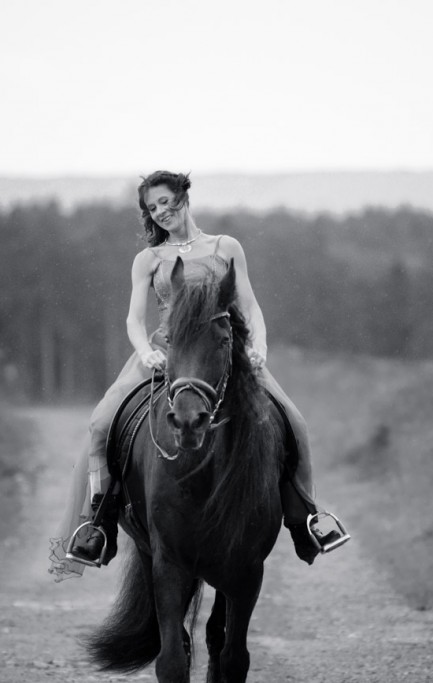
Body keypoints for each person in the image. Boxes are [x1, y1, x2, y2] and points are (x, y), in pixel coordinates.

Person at [49, 171, 348, 581]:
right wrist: (146, 351)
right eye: (152, 208)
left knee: (294, 422)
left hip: (225, 355)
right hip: (164, 353)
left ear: (184, 198)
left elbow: (251, 305)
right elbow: (134, 320)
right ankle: (99, 522)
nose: (160, 212)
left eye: (166, 202)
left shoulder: (226, 248)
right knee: (101, 424)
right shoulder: (148, 260)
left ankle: (306, 520)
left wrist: (258, 345)